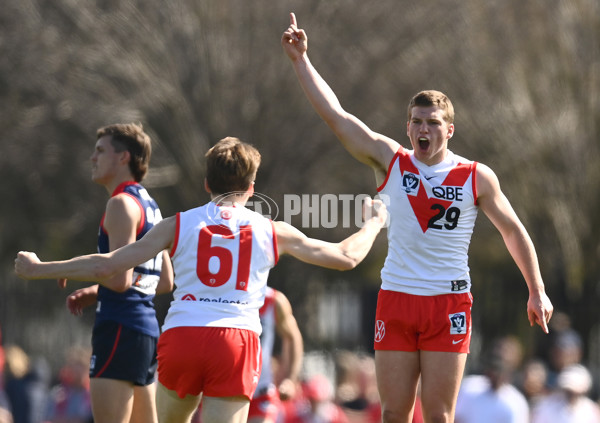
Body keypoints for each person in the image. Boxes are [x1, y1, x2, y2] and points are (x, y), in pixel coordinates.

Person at [281, 13, 553, 423]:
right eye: (417, 122)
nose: (423, 130)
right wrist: (301, 60)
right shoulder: (391, 160)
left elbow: (512, 230)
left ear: (450, 131)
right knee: (394, 413)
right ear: (408, 127)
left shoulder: (475, 176)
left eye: (433, 123)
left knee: (439, 416)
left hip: (448, 303)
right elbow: (337, 117)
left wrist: (537, 289)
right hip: (397, 299)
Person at [15, 136, 387, 423]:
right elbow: (346, 257)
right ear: (252, 187)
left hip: (183, 336)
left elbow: (108, 265)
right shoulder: (272, 230)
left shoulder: (178, 224)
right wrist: (373, 222)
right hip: (236, 341)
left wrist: (42, 268)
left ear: (206, 183)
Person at [28, 123, 174, 423]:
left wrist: (39, 269)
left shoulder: (121, 204)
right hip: (145, 333)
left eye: (100, 151)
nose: (92, 158)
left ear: (124, 158)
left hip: (119, 327)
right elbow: (163, 281)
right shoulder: (152, 207)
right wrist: (98, 291)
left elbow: (117, 277)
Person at [248, 287, 303, 423]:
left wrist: (291, 379)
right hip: (223, 387)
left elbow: (293, 337)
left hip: (261, 390)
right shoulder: (220, 295)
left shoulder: (273, 299)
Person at [454, 340, 530, 423]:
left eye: (502, 365)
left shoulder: (517, 403)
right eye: (496, 361)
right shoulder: (469, 386)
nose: (496, 371)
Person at [531, 364, 600, 423]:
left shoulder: (591, 411)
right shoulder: (545, 407)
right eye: (569, 392)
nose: (572, 396)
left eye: (577, 393)